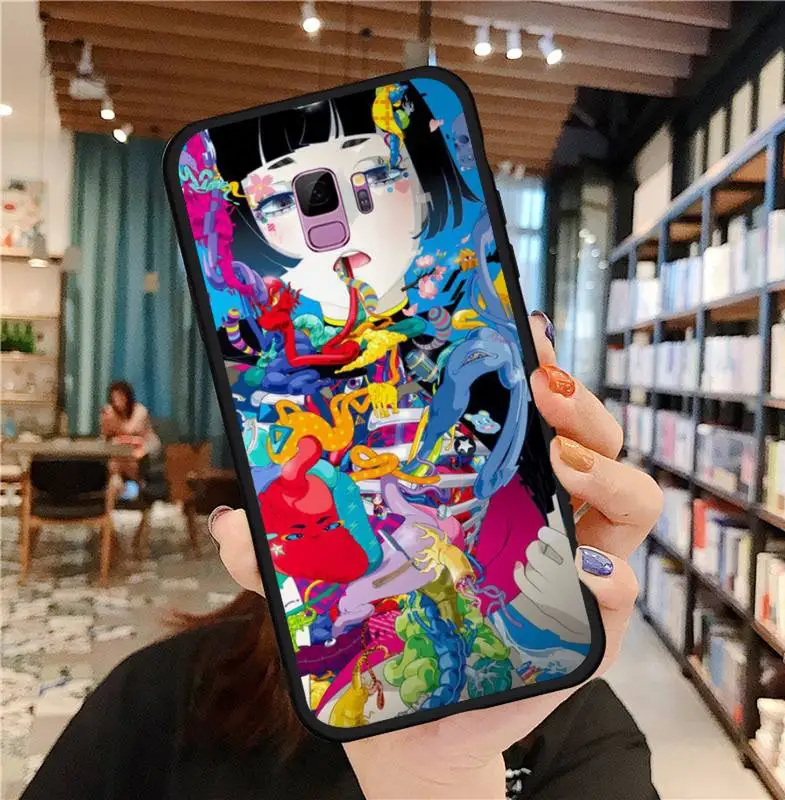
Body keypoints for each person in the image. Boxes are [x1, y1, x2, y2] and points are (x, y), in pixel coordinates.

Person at [23, 317, 663, 800]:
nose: (408, 469)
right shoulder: (158, 700)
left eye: (463, 438)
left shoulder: (579, 737)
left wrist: (437, 781)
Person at [100, 380, 161, 484]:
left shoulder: (139, 410)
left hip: (144, 450)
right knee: (114, 465)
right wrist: (105, 422)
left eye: (120, 397)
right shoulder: (109, 412)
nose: (117, 401)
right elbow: (105, 437)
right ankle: (119, 488)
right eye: (114, 398)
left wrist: (113, 420)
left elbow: (129, 430)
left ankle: (136, 484)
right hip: (119, 454)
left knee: (126, 463)